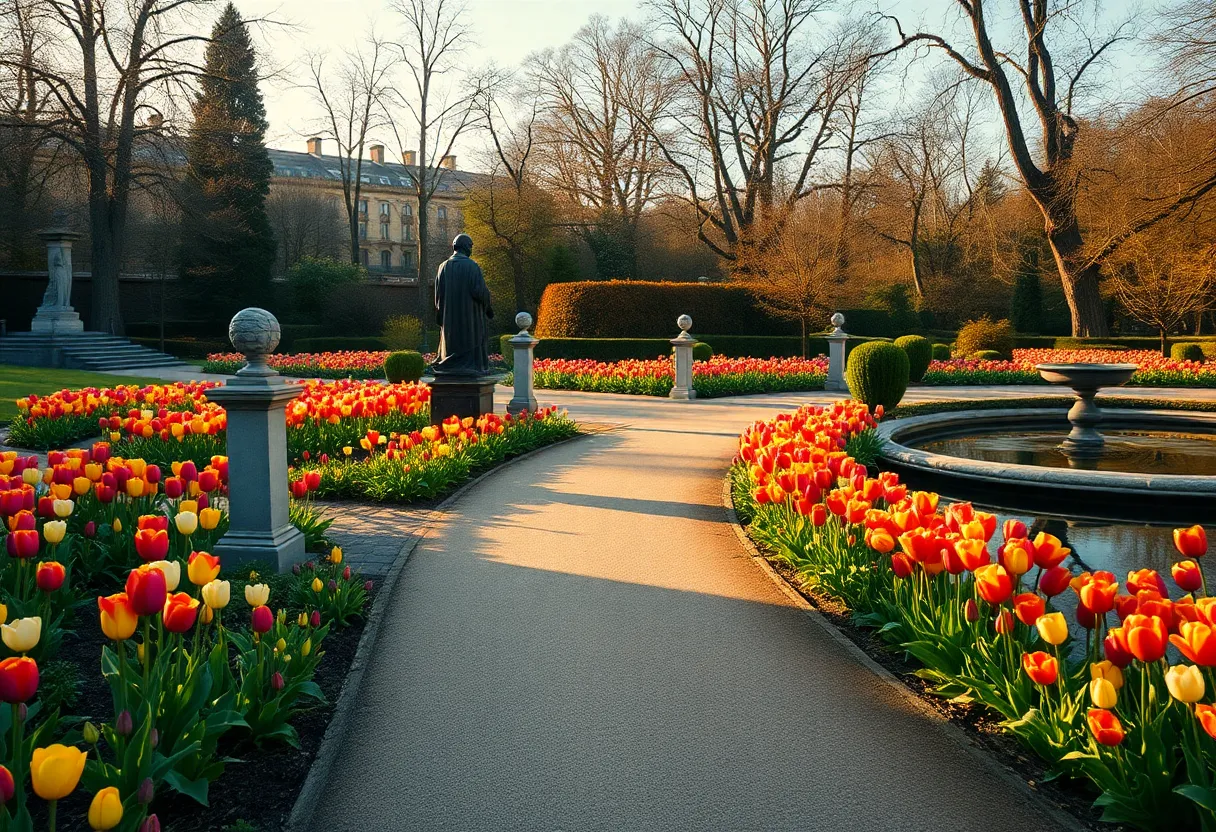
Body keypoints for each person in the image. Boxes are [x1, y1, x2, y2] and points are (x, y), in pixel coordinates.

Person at [433, 233, 494, 375]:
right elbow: (480, 292)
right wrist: (488, 308)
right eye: (471, 246)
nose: (471, 249)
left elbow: (438, 296)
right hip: (470, 320)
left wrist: (441, 316)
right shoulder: (472, 266)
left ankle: (449, 364)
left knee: (451, 343)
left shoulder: (443, 267)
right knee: (471, 342)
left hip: (450, 320)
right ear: (466, 247)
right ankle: (471, 366)